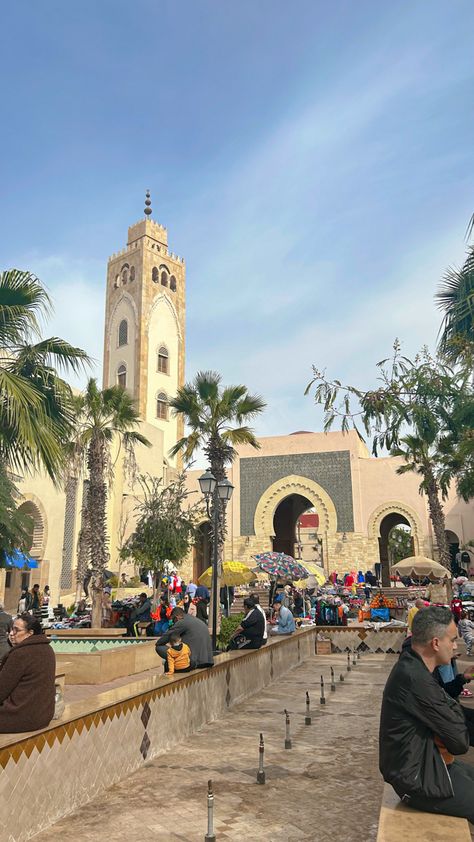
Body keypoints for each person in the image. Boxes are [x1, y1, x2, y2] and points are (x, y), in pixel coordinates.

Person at [379, 606, 474, 824]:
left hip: (425, 765)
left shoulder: (413, 666)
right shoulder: (415, 679)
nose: (454, 646)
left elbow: (452, 712)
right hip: (417, 779)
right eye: (452, 640)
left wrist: (450, 709)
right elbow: (459, 743)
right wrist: (451, 710)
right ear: (435, 643)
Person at [0, 613, 56, 733]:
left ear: (30, 633)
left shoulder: (20, 654)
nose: (11, 634)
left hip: (20, 717)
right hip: (43, 716)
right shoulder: (48, 649)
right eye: (11, 629)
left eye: (16, 631)